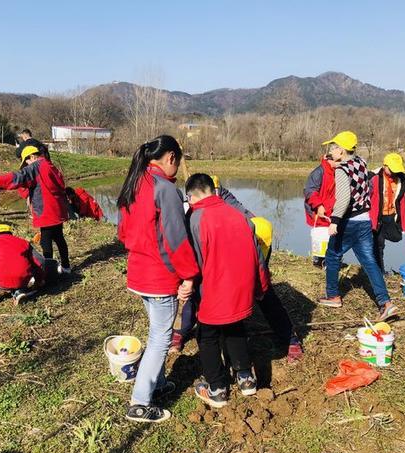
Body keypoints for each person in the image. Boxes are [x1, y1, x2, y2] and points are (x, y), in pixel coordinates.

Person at [171, 177, 304, 363]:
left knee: (264, 294)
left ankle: (290, 337)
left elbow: (247, 221)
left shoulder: (226, 199)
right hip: (212, 250)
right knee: (199, 290)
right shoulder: (191, 206)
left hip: (252, 244)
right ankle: (182, 331)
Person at [117, 135, 199, 423]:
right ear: (171, 158)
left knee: (156, 331)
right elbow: (176, 240)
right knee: (161, 338)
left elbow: (123, 233)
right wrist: (189, 275)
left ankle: (158, 383)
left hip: (137, 272)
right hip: (159, 276)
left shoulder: (135, 182)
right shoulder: (165, 189)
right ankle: (139, 403)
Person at [185, 174, 270, 408]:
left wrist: (188, 283)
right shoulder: (239, 215)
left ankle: (217, 388)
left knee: (208, 336)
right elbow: (258, 258)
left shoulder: (196, 218)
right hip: (241, 290)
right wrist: (261, 287)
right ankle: (246, 379)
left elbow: (196, 261)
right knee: (235, 327)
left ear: (192, 196)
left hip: (214, 289)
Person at [318, 131, 398, 321]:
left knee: (332, 255)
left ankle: (333, 296)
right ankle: (385, 303)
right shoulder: (361, 162)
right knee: (369, 262)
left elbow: (344, 198)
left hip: (349, 222)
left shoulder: (342, 169)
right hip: (364, 220)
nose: (331, 152)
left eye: (333, 148)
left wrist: (335, 221)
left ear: (340, 150)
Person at [0, 144, 70, 273]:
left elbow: (18, 176)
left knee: (45, 242)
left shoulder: (36, 167)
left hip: (45, 211)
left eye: (27, 162)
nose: (26, 165)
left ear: (32, 157)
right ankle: (66, 266)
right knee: (59, 238)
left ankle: (49, 270)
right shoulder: (49, 165)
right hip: (56, 209)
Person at [0, 224, 55, 306]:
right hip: (22, 280)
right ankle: (19, 292)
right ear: (10, 233)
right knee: (23, 263)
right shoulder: (24, 242)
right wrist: (39, 279)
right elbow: (40, 261)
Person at [369, 153, 405, 272]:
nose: (394, 172)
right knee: (378, 246)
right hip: (377, 217)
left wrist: (403, 225)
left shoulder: (401, 180)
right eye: (392, 169)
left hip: (391, 216)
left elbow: (402, 203)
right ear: (384, 166)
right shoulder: (374, 178)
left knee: (396, 237)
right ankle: (379, 271)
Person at [304, 154, 339, 267]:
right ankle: (319, 261)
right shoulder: (319, 172)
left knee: (333, 236)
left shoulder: (338, 171)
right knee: (320, 236)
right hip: (319, 212)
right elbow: (310, 191)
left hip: (332, 211)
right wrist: (319, 205)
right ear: (329, 160)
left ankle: (329, 261)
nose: (340, 163)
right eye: (338, 161)